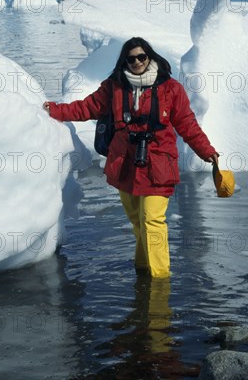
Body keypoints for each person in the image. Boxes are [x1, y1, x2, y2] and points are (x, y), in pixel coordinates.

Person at [43, 37, 218, 278]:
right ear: (125, 60)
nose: (136, 62)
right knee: (138, 222)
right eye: (131, 58)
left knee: (153, 221)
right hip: (124, 163)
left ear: (150, 57)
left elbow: (188, 125)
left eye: (141, 57)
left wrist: (208, 152)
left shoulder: (171, 89)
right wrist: (53, 110)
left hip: (158, 164)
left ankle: (160, 281)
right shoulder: (115, 86)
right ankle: (143, 271)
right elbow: (86, 108)